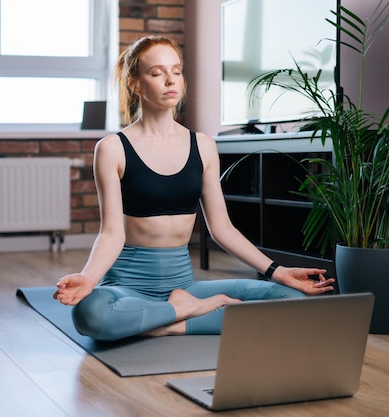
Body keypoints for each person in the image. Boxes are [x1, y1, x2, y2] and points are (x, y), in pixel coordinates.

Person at [53, 35, 335, 342]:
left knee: (290, 300)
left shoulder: (202, 145)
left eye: (176, 70)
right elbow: (111, 233)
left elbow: (222, 229)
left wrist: (278, 271)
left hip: (184, 286)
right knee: (91, 315)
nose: (170, 80)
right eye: (157, 72)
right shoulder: (112, 149)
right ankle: (186, 312)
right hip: (127, 288)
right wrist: (89, 278)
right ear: (135, 83)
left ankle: (174, 316)